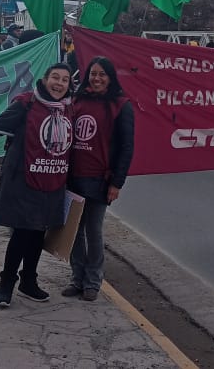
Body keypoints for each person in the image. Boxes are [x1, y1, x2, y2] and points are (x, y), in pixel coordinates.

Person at [0, 64, 75, 308]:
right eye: (55, 77)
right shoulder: (26, 104)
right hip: (25, 179)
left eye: (65, 80)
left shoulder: (69, 110)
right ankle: (7, 281)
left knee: (38, 233)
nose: (59, 83)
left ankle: (29, 281)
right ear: (44, 80)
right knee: (22, 232)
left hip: (53, 180)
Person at [62, 57, 135, 302]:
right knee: (73, 231)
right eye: (93, 73)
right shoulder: (76, 101)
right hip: (73, 178)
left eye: (102, 74)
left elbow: (126, 147)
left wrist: (117, 183)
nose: (97, 78)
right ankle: (77, 277)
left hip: (100, 180)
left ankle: (93, 281)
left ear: (111, 77)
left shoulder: (121, 105)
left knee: (93, 231)